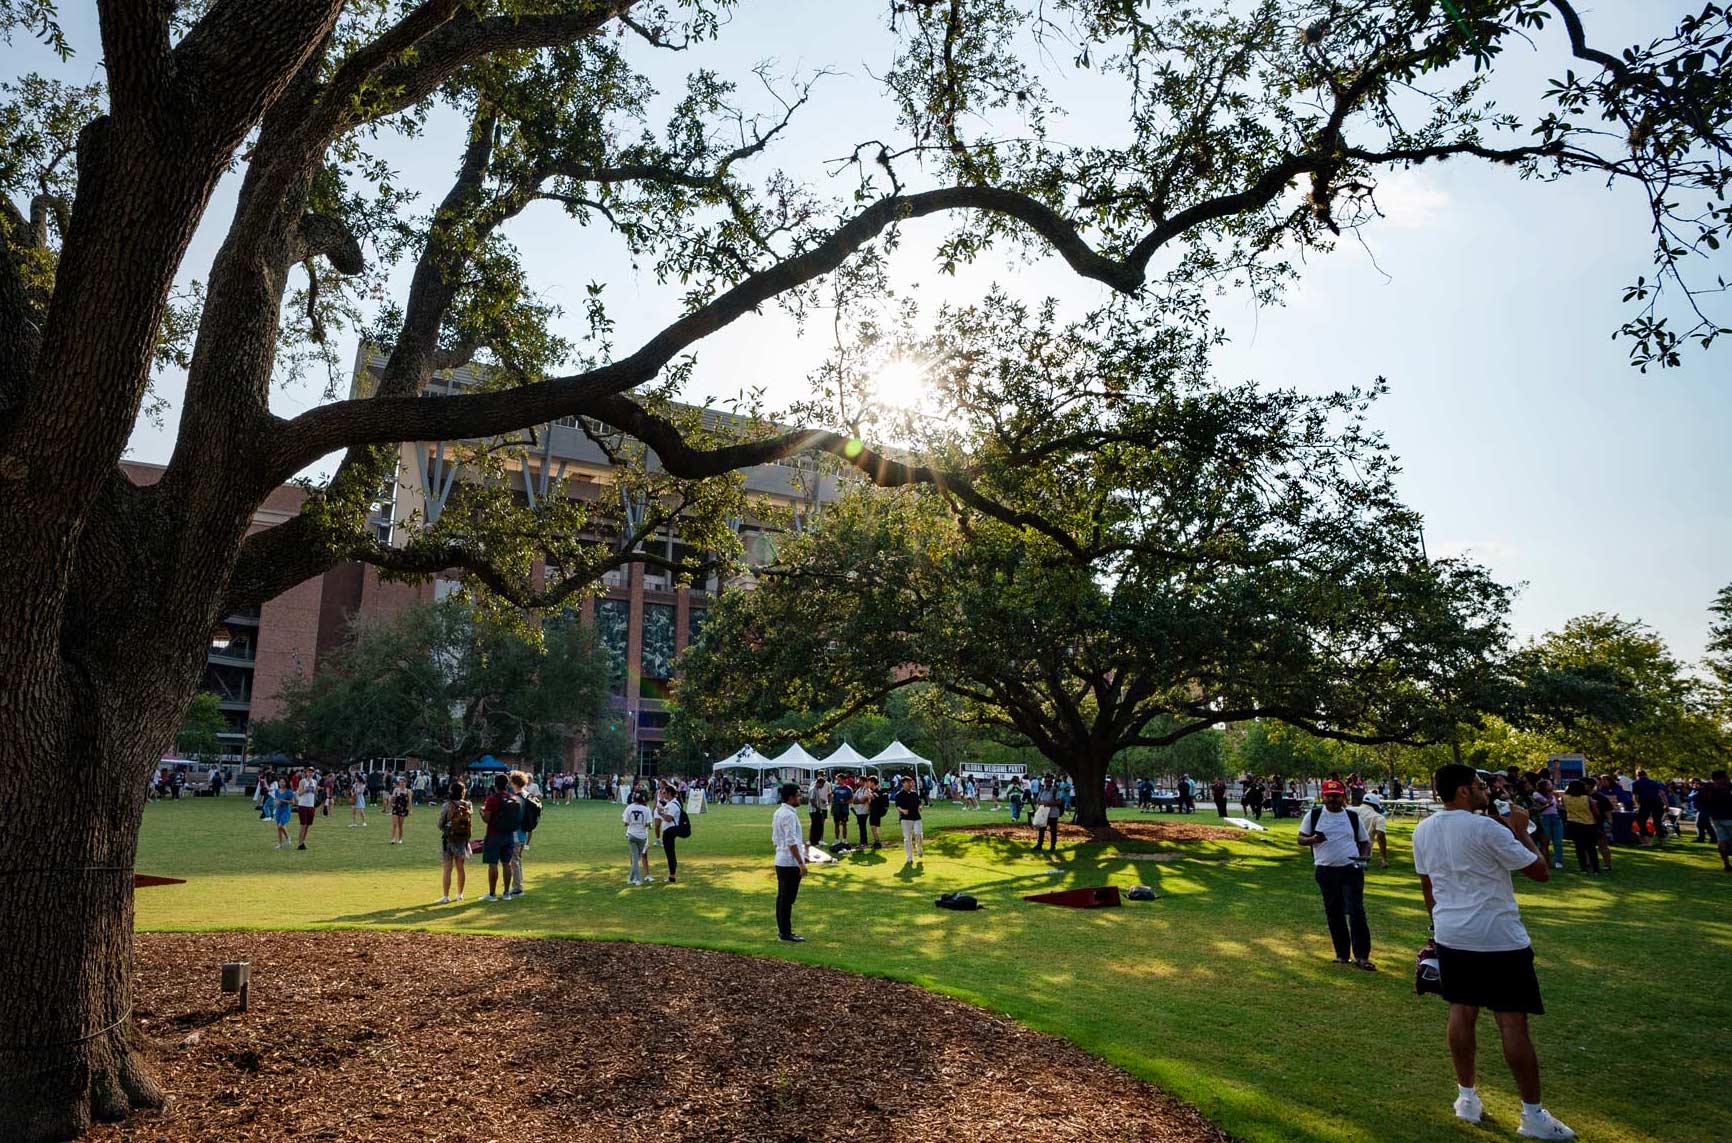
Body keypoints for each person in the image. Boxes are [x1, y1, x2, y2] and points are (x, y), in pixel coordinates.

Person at [1413, 763, 1573, 1139]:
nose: (1487, 790)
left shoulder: (1424, 829)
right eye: (1480, 785)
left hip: (1453, 933)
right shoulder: (1485, 827)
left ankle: (1466, 1099)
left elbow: (1427, 886)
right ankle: (1532, 1115)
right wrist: (1521, 831)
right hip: (1498, 937)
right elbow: (1539, 871)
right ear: (1464, 791)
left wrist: (1437, 926)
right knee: (1512, 1023)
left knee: (1461, 1011)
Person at [1296, 778, 1373, 970]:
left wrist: (1363, 859)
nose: (1333, 799)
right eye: (1329, 796)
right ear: (1323, 796)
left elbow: (1365, 842)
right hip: (1326, 871)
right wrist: (1313, 839)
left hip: (1351, 870)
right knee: (1334, 913)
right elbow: (1300, 838)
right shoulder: (1313, 815)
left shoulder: (1352, 817)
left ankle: (1362, 956)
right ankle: (1342, 955)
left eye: (1336, 796)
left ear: (1343, 797)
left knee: (1356, 912)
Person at [771, 782, 807, 942]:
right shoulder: (789, 815)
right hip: (789, 861)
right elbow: (791, 840)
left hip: (781, 859)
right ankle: (785, 932)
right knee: (787, 899)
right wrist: (801, 862)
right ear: (791, 797)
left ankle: (783, 930)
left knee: (782, 898)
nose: (800, 798)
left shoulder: (779, 812)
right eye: (798, 795)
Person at [479, 774, 522, 901]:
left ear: (495, 785)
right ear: (507, 784)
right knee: (506, 864)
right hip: (509, 835)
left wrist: (481, 812)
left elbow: (487, 818)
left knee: (493, 864)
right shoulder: (512, 798)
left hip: (494, 834)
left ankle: (492, 894)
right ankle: (506, 892)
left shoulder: (492, 799)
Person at [436, 779, 472, 903]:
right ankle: (459, 894)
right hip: (462, 840)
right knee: (460, 868)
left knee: (447, 868)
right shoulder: (467, 805)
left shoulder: (447, 805)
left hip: (448, 838)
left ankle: (445, 896)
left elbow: (440, 823)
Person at [508, 770, 540, 897]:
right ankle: (519, 885)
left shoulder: (517, 798)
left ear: (514, 782)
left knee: (514, 861)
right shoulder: (527, 795)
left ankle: (517, 887)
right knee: (518, 860)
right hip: (524, 832)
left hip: (516, 832)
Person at [1698, 770, 1732, 873]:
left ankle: (1726, 863)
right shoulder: (1726, 787)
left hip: (1715, 817)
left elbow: (1700, 801)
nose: (1728, 778)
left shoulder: (1707, 788)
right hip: (1729, 816)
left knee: (1721, 840)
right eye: (1726, 776)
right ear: (1722, 778)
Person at [622, 789, 656, 886]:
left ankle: (631, 879)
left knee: (635, 858)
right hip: (642, 836)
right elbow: (648, 825)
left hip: (631, 835)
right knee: (637, 858)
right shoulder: (646, 809)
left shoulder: (629, 807)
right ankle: (638, 879)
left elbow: (625, 822)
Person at [1531, 780, 1564, 870]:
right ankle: (1543, 860)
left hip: (1555, 817)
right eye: (1549, 784)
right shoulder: (1537, 794)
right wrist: (1551, 797)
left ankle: (1558, 860)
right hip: (1544, 818)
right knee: (1544, 841)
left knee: (1558, 841)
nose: (1551, 786)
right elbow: (1545, 802)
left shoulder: (1553, 795)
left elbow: (1556, 805)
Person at [657, 782, 685, 883]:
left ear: (669, 794)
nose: (663, 795)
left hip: (670, 831)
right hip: (669, 830)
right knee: (670, 853)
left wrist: (661, 813)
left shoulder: (673, 805)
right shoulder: (673, 803)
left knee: (670, 854)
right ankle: (672, 875)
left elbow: (669, 818)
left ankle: (672, 876)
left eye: (664, 793)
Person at [1630, 769, 1666, 846]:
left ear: (1637, 775)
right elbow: (1662, 793)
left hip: (1645, 802)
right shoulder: (1654, 782)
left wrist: (1637, 805)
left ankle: (1647, 840)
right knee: (1657, 822)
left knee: (1640, 821)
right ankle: (1662, 841)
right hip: (1657, 802)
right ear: (1646, 775)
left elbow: (1635, 796)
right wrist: (1666, 804)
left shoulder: (1636, 783)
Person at [894, 775, 924, 865]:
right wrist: (903, 810)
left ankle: (919, 848)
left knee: (919, 834)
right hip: (905, 819)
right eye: (907, 782)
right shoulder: (899, 795)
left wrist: (920, 807)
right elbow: (897, 806)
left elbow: (919, 803)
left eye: (911, 782)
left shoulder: (914, 794)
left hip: (916, 817)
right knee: (907, 839)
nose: (910, 784)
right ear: (903, 783)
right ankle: (909, 857)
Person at [1356, 792, 1390, 868]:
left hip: (1344, 848)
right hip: (1364, 851)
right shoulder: (1378, 817)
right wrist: (1383, 859)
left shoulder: (1350, 810)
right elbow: (1380, 837)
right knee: (1357, 875)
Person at [1032, 778, 1062, 853]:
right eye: (1046, 781)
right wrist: (1042, 802)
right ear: (1044, 782)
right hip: (1043, 813)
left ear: (1052, 782)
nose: (1048, 783)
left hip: (1053, 814)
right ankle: (1039, 845)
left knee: (1053, 830)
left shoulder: (1055, 790)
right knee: (1041, 829)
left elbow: (1059, 801)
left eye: (1050, 781)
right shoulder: (1042, 790)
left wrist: (1049, 804)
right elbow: (1038, 801)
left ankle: (1053, 847)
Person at [294, 768, 318, 849]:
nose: (310, 773)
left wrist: (315, 790)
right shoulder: (302, 781)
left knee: (308, 825)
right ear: (306, 773)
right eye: (309, 772)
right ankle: (300, 843)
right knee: (303, 825)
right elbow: (300, 793)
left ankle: (303, 842)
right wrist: (306, 789)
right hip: (303, 805)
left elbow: (315, 794)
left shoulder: (314, 782)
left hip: (311, 805)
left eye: (312, 772)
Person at [867, 775, 890, 850]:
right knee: (873, 827)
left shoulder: (878, 791)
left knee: (874, 827)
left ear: (873, 782)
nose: (868, 784)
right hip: (873, 811)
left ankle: (877, 842)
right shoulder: (873, 791)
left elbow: (882, 801)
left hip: (876, 811)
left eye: (869, 782)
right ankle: (876, 841)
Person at [808, 774, 831, 847]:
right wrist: (818, 808)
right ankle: (813, 841)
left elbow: (816, 799)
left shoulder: (817, 790)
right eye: (822, 785)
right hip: (814, 810)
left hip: (817, 810)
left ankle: (817, 841)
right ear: (819, 783)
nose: (822, 786)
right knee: (815, 826)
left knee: (819, 826)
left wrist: (822, 801)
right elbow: (812, 800)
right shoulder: (813, 789)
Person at [271, 778, 295, 848]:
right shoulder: (276, 791)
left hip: (286, 810)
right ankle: (279, 844)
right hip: (278, 810)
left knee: (280, 825)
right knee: (279, 827)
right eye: (280, 782)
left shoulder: (289, 791)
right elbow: (276, 801)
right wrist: (275, 803)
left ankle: (288, 837)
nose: (281, 783)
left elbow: (293, 802)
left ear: (286, 783)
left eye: (283, 782)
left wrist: (283, 801)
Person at [388, 776, 411, 844]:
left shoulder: (408, 791)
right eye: (400, 782)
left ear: (405, 783)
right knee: (394, 824)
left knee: (400, 825)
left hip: (403, 809)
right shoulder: (396, 790)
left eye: (403, 782)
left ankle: (400, 838)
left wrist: (410, 810)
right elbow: (392, 799)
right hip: (395, 808)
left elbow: (409, 801)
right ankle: (393, 839)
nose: (401, 783)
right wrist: (392, 799)